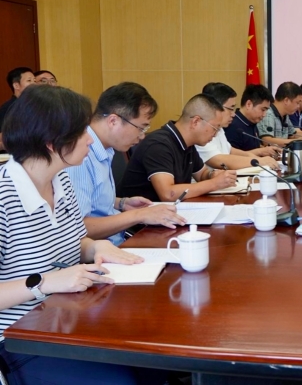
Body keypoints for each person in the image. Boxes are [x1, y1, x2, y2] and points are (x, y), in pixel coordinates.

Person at [0, 85, 170, 384]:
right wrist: (45, 283)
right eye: (81, 132)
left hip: (69, 314)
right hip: (21, 336)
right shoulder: (4, 197)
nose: (90, 139)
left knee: (156, 360)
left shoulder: (61, 180)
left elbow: (77, 240)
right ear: (51, 142)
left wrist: (95, 248)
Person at [65, 82, 186, 246]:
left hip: (116, 240)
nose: (142, 136)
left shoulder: (105, 148)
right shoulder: (81, 155)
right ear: (113, 121)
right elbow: (77, 228)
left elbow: (91, 199)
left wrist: (121, 203)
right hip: (100, 251)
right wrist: (139, 215)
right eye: (141, 128)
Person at [119, 94, 238, 202]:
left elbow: (202, 175)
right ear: (196, 122)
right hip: (138, 216)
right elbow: (168, 194)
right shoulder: (159, 144)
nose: (215, 134)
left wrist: (213, 175)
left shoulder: (188, 143)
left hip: (166, 212)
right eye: (215, 128)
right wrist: (214, 183)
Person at [197, 82, 279, 170]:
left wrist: (258, 157)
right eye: (230, 109)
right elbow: (218, 160)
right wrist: (259, 161)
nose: (233, 114)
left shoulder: (220, 129)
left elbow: (230, 150)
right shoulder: (201, 131)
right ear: (214, 107)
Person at [225, 84, 276, 152]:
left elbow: (254, 147)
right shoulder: (232, 125)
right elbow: (231, 156)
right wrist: (261, 152)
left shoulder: (252, 122)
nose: (264, 115)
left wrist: (267, 150)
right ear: (249, 104)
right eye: (263, 110)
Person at [258, 81, 302, 147]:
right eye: (297, 103)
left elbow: (292, 135)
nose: (298, 106)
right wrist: (296, 141)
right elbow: (267, 141)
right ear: (286, 100)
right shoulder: (268, 114)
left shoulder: (285, 115)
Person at [0, 67, 35, 151]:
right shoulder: (10, 107)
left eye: (35, 80)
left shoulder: (32, 105)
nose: (34, 84)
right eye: (29, 80)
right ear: (16, 85)